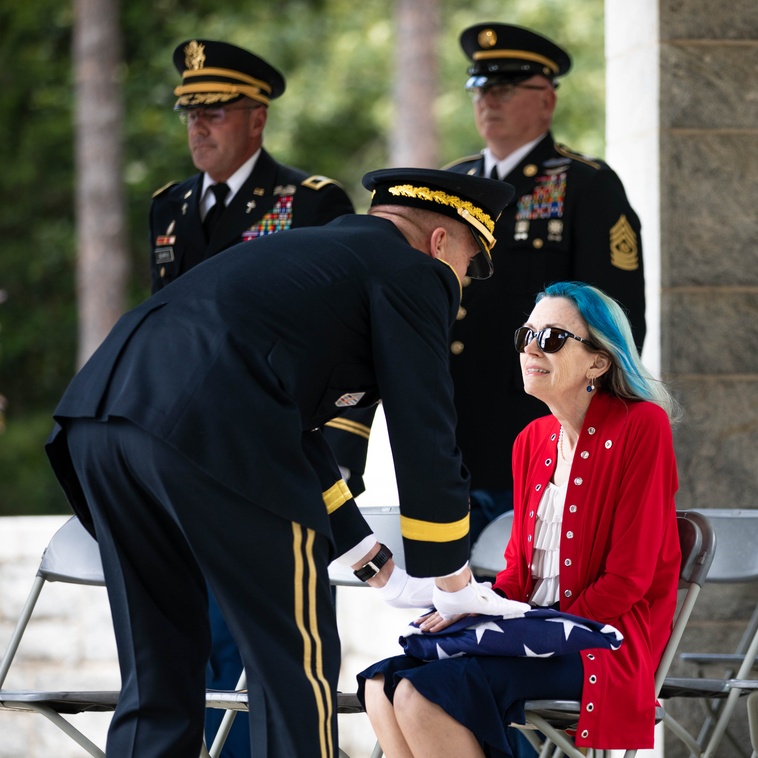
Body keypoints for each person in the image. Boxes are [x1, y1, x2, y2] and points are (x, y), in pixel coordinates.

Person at [45, 167, 523, 757]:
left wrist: (376, 564)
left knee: (158, 668)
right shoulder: (415, 272)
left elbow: (291, 429)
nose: (463, 283)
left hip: (103, 420)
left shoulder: (312, 255)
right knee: (294, 663)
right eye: (470, 263)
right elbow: (424, 430)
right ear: (441, 240)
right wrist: (453, 580)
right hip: (211, 430)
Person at [359, 281, 681, 758]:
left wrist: (533, 626)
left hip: (603, 643)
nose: (532, 347)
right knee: (382, 685)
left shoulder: (642, 426)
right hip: (530, 633)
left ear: (598, 361)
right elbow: (516, 574)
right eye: (526, 335)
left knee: (422, 693)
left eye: (551, 338)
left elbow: (628, 580)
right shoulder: (532, 440)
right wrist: (473, 609)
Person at [148, 38, 359, 755]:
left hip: (272, 463)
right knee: (191, 647)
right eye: (190, 112)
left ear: (256, 117)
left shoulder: (311, 202)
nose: (198, 126)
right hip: (182, 463)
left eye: (214, 111)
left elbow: (347, 340)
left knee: (275, 658)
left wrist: (335, 463)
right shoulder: (169, 209)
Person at [444, 23, 647, 542]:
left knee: (534, 603)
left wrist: (583, 431)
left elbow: (614, 320)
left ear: (547, 100)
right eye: (481, 88)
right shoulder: (449, 186)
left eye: (506, 88)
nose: (489, 99)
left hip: (538, 428)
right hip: (448, 431)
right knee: (447, 604)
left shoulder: (586, 184)